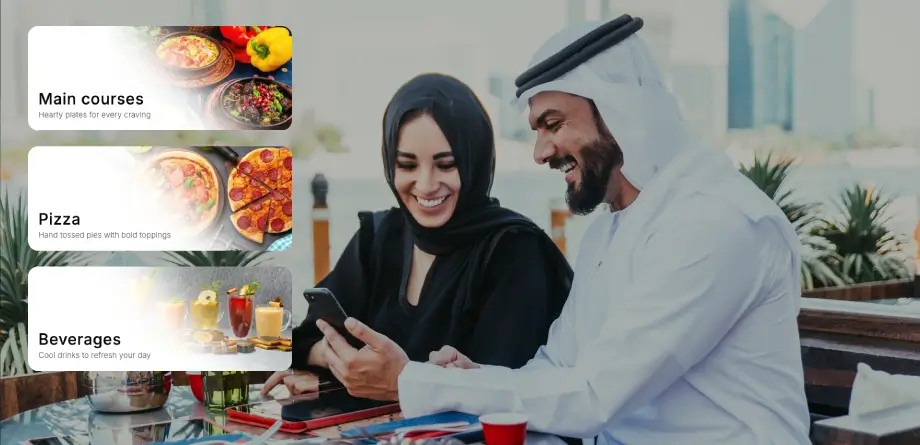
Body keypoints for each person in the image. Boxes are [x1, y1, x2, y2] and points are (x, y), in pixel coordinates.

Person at [310, 17, 812, 445]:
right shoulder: (610, 232)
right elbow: (556, 369)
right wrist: (472, 378)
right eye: (536, 131)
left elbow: (594, 395)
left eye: (553, 124)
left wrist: (413, 381)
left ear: (619, 112)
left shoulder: (713, 223)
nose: (540, 153)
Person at [263, 73, 574, 396]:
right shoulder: (380, 236)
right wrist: (331, 366)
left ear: (475, 161)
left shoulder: (515, 251)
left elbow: (501, 391)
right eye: (408, 165)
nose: (426, 185)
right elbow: (307, 336)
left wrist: (394, 381)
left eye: (446, 164)